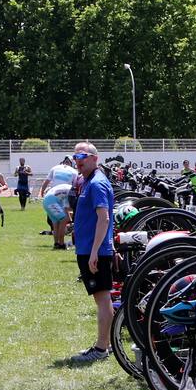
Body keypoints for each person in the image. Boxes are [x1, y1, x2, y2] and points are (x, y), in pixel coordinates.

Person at [70, 142, 115, 362]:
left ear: (95, 158)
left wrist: (95, 251)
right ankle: (105, 344)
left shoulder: (96, 183)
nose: (78, 160)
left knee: (103, 298)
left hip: (94, 250)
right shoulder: (88, 181)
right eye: (75, 156)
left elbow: (103, 218)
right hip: (89, 248)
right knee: (102, 298)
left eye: (82, 156)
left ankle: (101, 348)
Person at [41, 156, 78, 250]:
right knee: (63, 220)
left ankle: (56, 243)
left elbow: (67, 207)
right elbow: (71, 208)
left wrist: (42, 192)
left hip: (48, 198)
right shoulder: (72, 189)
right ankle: (61, 244)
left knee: (56, 223)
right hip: (52, 200)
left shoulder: (55, 168)